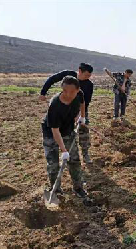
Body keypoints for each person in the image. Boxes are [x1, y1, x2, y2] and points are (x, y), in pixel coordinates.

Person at [41, 76, 92, 206]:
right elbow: (55, 130)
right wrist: (63, 150)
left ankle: (78, 187)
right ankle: (56, 190)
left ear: (77, 90)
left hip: (68, 129)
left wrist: (82, 117)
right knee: (53, 164)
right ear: (61, 89)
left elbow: (82, 103)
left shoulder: (79, 94)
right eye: (65, 91)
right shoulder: (55, 105)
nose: (68, 95)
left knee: (74, 160)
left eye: (72, 92)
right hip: (51, 133)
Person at [40, 63, 94, 163]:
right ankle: (64, 151)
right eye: (86, 75)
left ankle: (86, 154)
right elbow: (52, 79)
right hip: (64, 108)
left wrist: (81, 117)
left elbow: (85, 102)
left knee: (84, 132)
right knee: (64, 131)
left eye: (89, 76)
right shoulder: (68, 76)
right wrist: (43, 92)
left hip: (79, 110)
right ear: (80, 71)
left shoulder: (89, 85)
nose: (87, 78)